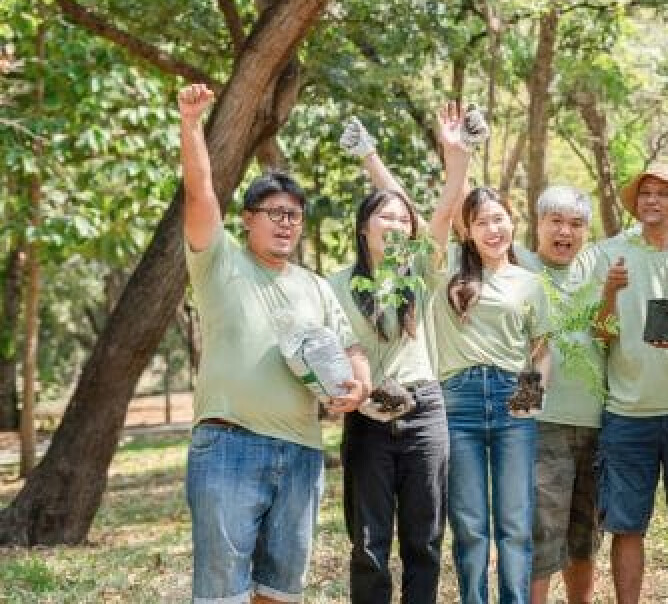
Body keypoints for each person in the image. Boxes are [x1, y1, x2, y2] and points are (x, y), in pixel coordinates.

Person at [177, 83, 369, 604]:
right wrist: (192, 125)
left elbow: (351, 352)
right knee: (222, 591)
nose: (286, 223)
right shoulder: (220, 262)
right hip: (229, 446)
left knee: (281, 591)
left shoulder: (315, 286)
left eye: (293, 215)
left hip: (302, 453)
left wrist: (355, 390)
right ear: (248, 220)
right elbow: (200, 193)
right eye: (274, 213)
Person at [330, 107, 469, 603]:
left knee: (424, 539)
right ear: (363, 226)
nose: (393, 222)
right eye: (381, 215)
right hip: (366, 417)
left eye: (400, 217)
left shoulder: (418, 271)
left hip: (424, 411)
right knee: (368, 542)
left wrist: (459, 158)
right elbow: (327, 355)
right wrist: (353, 398)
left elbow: (441, 210)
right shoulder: (336, 286)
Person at [579, 162, 668, 604]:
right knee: (625, 523)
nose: (652, 200)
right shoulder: (609, 253)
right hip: (627, 412)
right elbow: (600, 334)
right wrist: (609, 292)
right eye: (645, 193)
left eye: (663, 193)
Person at [430, 183, 553, 604]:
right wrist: (458, 155)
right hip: (457, 401)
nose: (493, 228)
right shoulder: (448, 267)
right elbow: (438, 218)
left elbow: (542, 350)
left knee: (515, 522)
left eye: (499, 218)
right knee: (469, 523)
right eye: (481, 222)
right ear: (468, 231)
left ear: (512, 222)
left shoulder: (529, 282)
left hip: (512, 399)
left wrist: (531, 395)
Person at [518, 186, 607, 604]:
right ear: (537, 224)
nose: (565, 232)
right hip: (540, 424)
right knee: (541, 534)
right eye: (555, 221)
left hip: (596, 423)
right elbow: (466, 216)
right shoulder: (519, 263)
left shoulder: (595, 265)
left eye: (575, 224)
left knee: (584, 537)